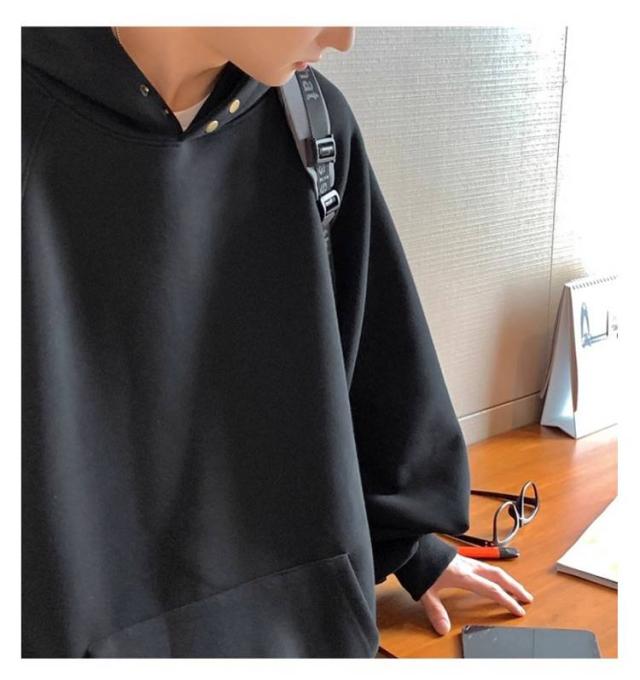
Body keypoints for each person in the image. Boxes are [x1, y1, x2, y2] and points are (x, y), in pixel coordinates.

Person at [21, 26, 533, 658]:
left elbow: (370, 370)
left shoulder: (311, 127)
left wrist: (411, 547)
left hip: (308, 637)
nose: (342, 35)